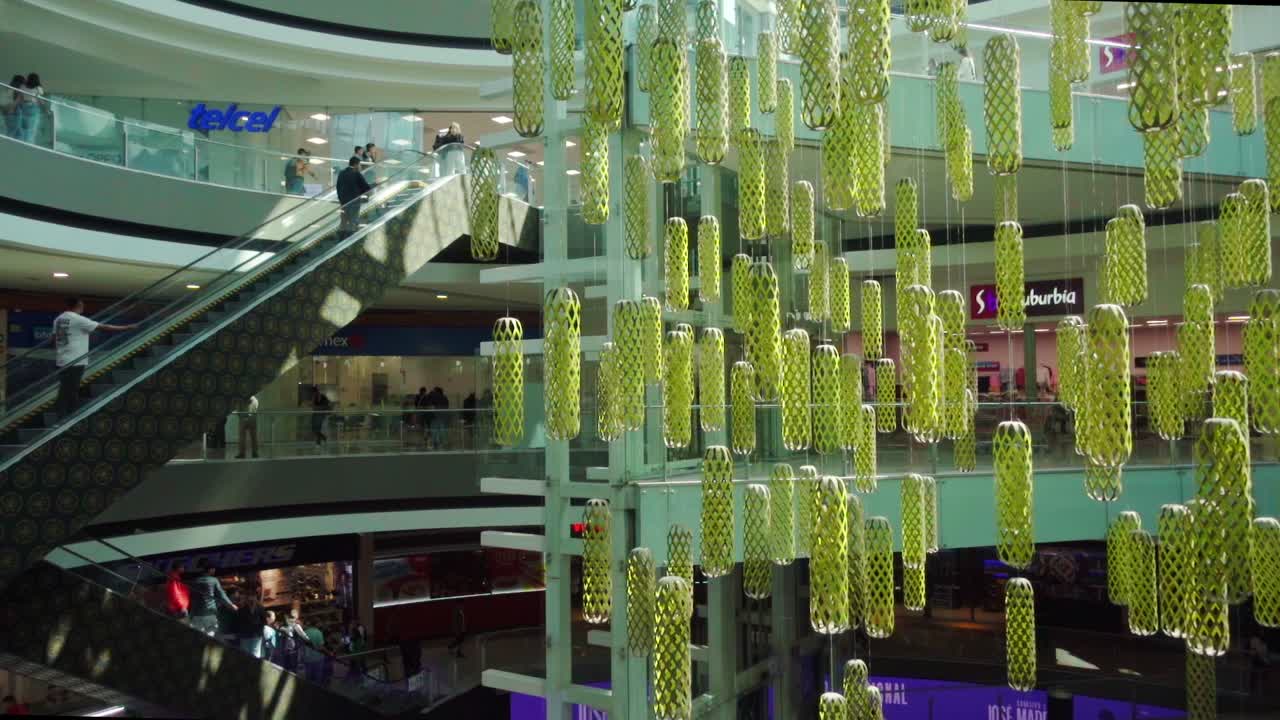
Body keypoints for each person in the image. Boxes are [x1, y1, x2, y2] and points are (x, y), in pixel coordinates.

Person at [52, 298, 135, 421]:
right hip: (75, 360)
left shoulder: (59, 319)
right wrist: (126, 327)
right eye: (82, 305)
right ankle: (67, 417)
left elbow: (54, 338)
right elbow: (104, 327)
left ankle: (66, 415)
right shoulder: (77, 319)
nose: (83, 307)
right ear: (78, 305)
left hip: (62, 359)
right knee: (71, 389)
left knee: (66, 388)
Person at [187, 567, 236, 637]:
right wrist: (231, 604)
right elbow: (221, 594)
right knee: (210, 637)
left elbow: (192, 599)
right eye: (213, 569)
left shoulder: (195, 581)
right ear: (210, 570)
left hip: (197, 614)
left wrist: (191, 615)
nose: (214, 570)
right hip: (210, 613)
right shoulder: (213, 580)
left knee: (197, 637)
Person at [336, 156, 372, 232]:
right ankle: (352, 237)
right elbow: (366, 187)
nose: (360, 167)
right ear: (356, 164)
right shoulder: (356, 173)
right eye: (359, 165)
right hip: (354, 202)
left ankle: (342, 237)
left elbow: (338, 187)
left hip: (344, 203)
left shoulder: (341, 173)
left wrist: (341, 199)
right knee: (353, 222)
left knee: (343, 222)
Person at [232, 588, 268, 658]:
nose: (251, 600)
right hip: (250, 635)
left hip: (251, 635)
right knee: (250, 655)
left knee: (248, 655)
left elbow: (264, 621)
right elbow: (264, 621)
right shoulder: (258, 608)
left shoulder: (244, 609)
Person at [14, 72, 43, 144]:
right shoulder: (38, 88)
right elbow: (40, 100)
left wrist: (15, 106)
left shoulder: (22, 87)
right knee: (32, 127)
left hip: (24, 106)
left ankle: (22, 141)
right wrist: (46, 109)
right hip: (33, 107)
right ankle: (28, 142)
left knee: (23, 125)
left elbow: (19, 98)